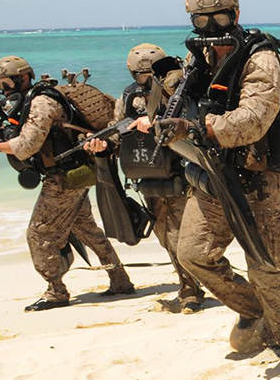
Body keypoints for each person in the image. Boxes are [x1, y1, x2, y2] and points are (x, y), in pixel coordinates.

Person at [134, 0, 280, 354]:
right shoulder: (198, 58)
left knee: (267, 269)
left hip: (259, 181)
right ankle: (253, 309)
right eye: (201, 20)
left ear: (235, 15)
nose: (210, 27)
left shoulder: (261, 57)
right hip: (213, 175)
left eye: (219, 18)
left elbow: (253, 120)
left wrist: (194, 128)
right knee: (193, 255)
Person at [0, 56, 134, 310]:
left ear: (24, 78)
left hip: (65, 177)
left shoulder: (41, 102)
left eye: (7, 83)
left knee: (39, 233)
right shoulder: (31, 99)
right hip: (74, 173)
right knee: (87, 230)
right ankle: (119, 279)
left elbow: (27, 146)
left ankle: (56, 291)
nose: (4, 89)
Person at [87, 44, 204, 312]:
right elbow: (119, 128)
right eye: (139, 75)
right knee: (165, 236)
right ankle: (190, 285)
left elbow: (191, 121)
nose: (144, 79)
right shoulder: (129, 96)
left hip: (181, 170)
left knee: (182, 236)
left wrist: (156, 124)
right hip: (150, 174)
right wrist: (104, 145)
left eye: (149, 74)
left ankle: (192, 291)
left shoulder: (177, 90)